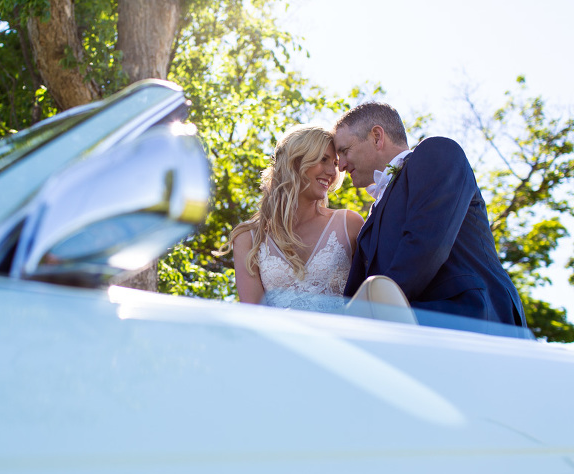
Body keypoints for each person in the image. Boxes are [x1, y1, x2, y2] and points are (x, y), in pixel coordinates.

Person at [333, 102, 527, 327]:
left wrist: (377, 311)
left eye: (344, 151)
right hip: (405, 332)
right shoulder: (372, 215)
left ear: (377, 137)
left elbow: (427, 242)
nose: (341, 166)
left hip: (467, 318)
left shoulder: (436, 152)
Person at [215, 124, 364, 312]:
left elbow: (374, 299)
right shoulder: (248, 237)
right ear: (295, 161)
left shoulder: (349, 224)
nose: (332, 172)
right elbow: (253, 316)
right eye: (323, 159)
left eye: (335, 164)